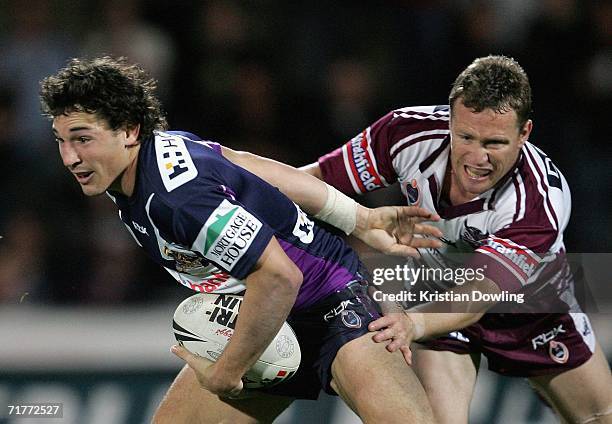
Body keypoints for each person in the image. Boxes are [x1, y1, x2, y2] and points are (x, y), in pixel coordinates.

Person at [39, 57, 443, 423]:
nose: (70, 157)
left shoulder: (176, 200)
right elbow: (243, 163)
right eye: (61, 140)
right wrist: (357, 217)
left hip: (331, 305)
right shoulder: (159, 152)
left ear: (128, 131)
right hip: (261, 320)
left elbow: (279, 277)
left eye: (82, 138)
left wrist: (227, 372)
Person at [299, 55, 612, 424]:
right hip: (437, 298)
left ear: (524, 132)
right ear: (449, 120)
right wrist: (246, 199)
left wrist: (412, 324)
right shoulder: (405, 133)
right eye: (466, 137)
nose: (478, 158)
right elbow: (316, 181)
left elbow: (479, 293)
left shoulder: (538, 202)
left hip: (528, 310)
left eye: (495, 142)